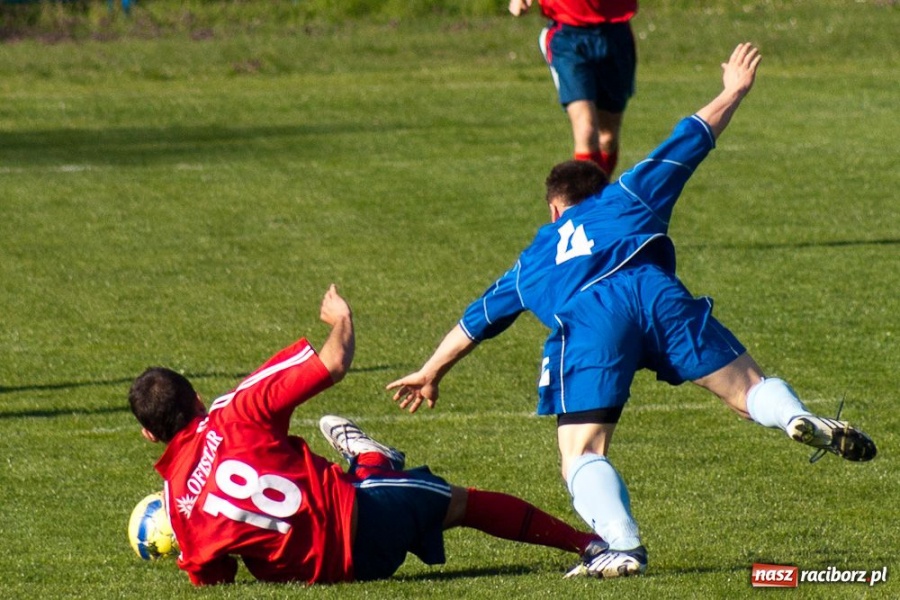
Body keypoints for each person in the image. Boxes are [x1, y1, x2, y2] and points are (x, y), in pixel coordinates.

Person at [387, 43, 876, 579]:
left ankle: (624, 546)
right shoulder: (626, 196)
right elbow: (690, 139)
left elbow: (476, 321)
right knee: (749, 388)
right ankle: (795, 416)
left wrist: (432, 371)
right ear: (597, 188)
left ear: (554, 208)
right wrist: (734, 90)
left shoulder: (534, 258)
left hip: (593, 317)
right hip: (655, 292)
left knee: (582, 451)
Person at [128, 284, 606, 586]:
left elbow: (215, 578)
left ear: (151, 435)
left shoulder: (178, 508)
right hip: (364, 519)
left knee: (409, 497)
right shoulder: (233, 410)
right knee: (462, 504)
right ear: (194, 399)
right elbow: (333, 363)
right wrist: (341, 319)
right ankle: (588, 544)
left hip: (321, 573)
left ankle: (369, 461)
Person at [508, 0, 638, 176]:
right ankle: (585, 202)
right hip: (567, 34)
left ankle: (597, 198)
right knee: (586, 129)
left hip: (615, 33)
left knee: (608, 138)